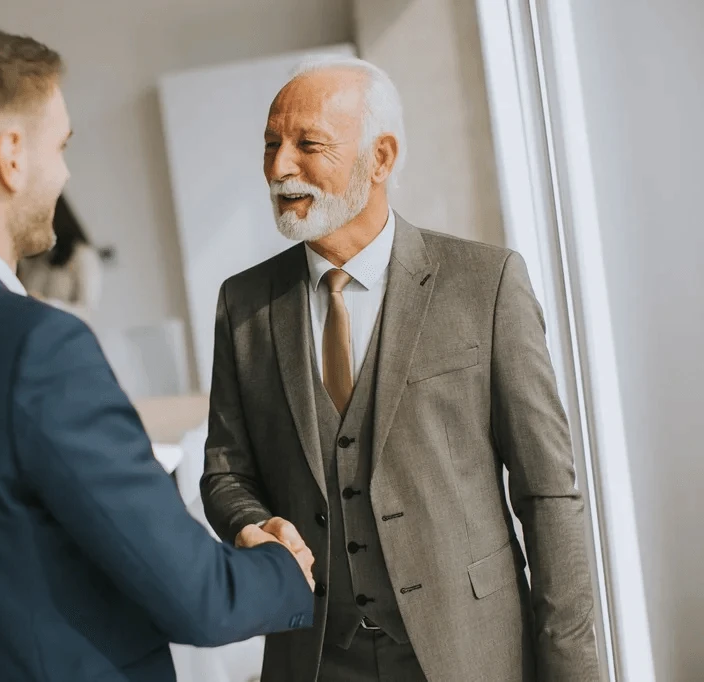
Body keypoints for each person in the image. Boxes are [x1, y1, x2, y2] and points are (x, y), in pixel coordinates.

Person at [0, 25, 315, 682]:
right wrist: (285, 570)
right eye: (61, 146)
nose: (66, 171)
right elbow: (201, 602)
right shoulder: (39, 347)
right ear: (11, 157)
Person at [201, 58, 600, 682]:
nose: (279, 168)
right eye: (272, 145)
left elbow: (548, 495)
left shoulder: (485, 284)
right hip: (313, 659)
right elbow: (225, 471)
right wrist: (251, 524)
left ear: (379, 158)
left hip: (472, 656)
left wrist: (574, 672)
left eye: (308, 145)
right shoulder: (243, 303)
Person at [17, 194, 102, 320]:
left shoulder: (82, 255)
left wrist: (46, 304)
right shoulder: (30, 258)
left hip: (60, 332)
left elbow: (87, 312)